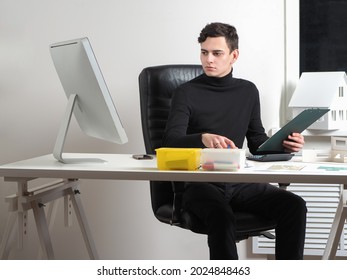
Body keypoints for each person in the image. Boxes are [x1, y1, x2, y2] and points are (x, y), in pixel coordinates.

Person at [162, 22, 307, 260]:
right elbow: (170, 140)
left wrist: (284, 143)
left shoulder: (248, 91)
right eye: (204, 52)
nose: (209, 59)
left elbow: (257, 142)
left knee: (294, 206)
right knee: (221, 216)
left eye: (217, 53)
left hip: (238, 180)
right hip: (200, 183)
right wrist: (203, 138)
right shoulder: (185, 92)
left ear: (234, 55)